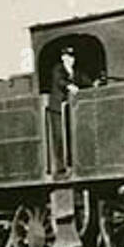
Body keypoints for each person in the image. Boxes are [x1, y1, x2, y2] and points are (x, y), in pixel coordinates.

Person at [47, 45, 90, 174]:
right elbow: (59, 80)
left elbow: (84, 80)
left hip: (69, 109)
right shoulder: (58, 69)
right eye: (68, 57)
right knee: (59, 137)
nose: (71, 59)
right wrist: (69, 86)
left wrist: (94, 83)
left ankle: (72, 163)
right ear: (63, 57)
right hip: (58, 108)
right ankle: (60, 167)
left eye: (72, 57)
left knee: (71, 135)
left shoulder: (75, 72)